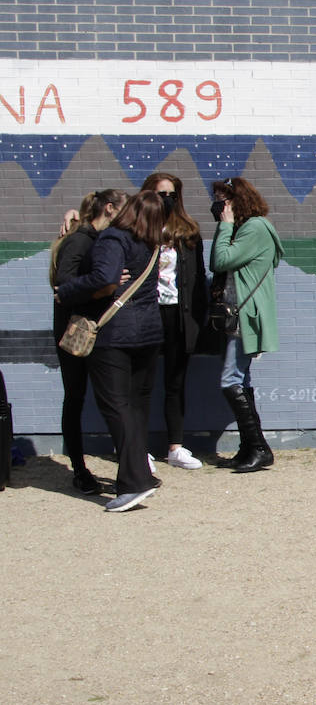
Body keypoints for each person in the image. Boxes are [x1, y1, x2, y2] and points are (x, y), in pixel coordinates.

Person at [54, 190, 165, 512]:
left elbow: (104, 277)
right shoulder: (150, 240)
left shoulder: (114, 238)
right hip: (149, 332)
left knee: (116, 407)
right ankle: (141, 475)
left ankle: (135, 483)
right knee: (133, 408)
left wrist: (66, 291)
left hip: (116, 334)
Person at [50, 188, 127, 494]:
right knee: (76, 397)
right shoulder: (81, 240)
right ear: (109, 208)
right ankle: (80, 470)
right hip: (76, 332)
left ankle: (128, 465)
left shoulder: (96, 239)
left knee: (103, 397)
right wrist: (103, 285)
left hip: (92, 328)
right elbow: (63, 284)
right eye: (122, 210)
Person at [209, 177, 283, 473]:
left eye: (222, 200)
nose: (218, 206)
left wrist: (225, 225)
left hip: (244, 316)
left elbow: (220, 259)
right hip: (237, 313)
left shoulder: (254, 228)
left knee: (230, 380)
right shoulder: (246, 228)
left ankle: (260, 448)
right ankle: (250, 446)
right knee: (242, 380)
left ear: (237, 200)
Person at [141, 172, 208, 470]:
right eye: (160, 194)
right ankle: (137, 449)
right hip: (146, 312)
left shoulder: (188, 231)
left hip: (178, 315)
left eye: (171, 195)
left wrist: (199, 316)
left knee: (175, 382)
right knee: (141, 384)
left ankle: (175, 447)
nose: (166, 200)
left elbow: (198, 277)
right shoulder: (139, 229)